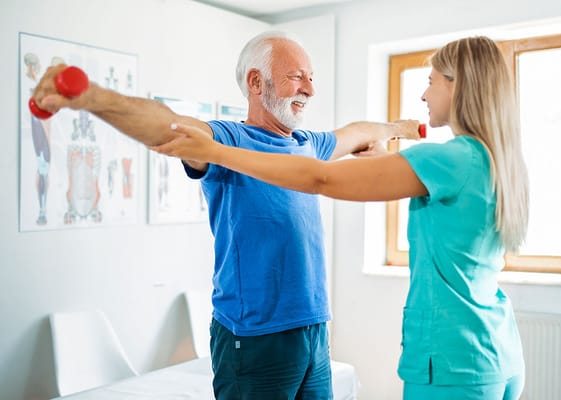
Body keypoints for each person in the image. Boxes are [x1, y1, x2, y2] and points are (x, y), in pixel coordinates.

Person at [31, 31, 419, 399]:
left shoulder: (308, 143)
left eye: (312, 78)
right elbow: (169, 127)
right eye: (297, 77)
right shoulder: (228, 141)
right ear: (256, 82)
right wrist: (89, 97)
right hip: (253, 336)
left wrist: (397, 128)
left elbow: (357, 131)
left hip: (313, 328)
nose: (310, 90)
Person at [150, 36, 529, 400]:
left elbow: (319, 176)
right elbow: (379, 154)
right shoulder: (492, 159)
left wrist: (218, 152)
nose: (424, 94)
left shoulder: (446, 158)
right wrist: (389, 148)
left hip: (454, 359)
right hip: (497, 349)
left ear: (458, 87)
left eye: (431, 81)